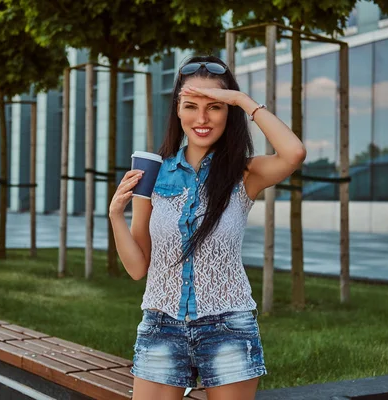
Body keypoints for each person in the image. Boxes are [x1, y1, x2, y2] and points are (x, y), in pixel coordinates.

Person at [109, 55, 306, 400]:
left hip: (227, 326)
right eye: (191, 106)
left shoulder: (244, 173)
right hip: (161, 323)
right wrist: (114, 216)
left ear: (228, 112)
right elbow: (139, 268)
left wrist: (242, 100)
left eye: (215, 106)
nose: (201, 118)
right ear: (177, 111)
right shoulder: (153, 174)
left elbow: (294, 153)